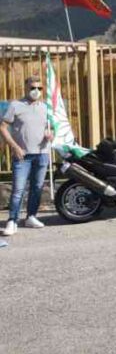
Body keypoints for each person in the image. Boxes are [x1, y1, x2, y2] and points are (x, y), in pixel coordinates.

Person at [1, 76, 53, 236]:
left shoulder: (45, 107)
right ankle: (12, 221)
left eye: (39, 88)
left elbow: (50, 127)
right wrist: (15, 147)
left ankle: (31, 216)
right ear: (26, 88)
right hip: (23, 155)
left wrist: (50, 134)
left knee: (37, 188)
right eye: (32, 88)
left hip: (42, 154)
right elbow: (3, 127)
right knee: (18, 189)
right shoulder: (15, 106)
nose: (36, 91)